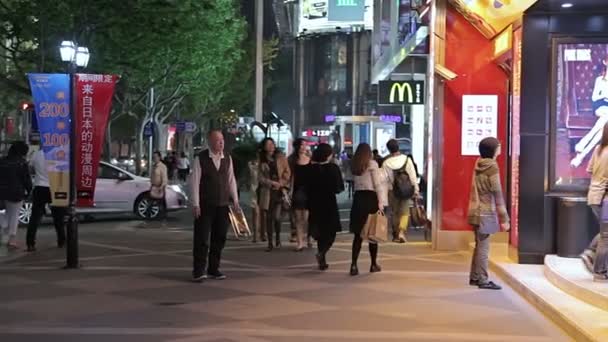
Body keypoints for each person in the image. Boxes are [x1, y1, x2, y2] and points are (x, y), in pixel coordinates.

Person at [190, 130, 239, 282]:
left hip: (223, 204)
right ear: (210, 141)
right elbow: (194, 182)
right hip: (205, 205)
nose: (221, 143)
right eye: (218, 140)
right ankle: (198, 271)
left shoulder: (227, 159)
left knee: (220, 237)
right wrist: (195, 203)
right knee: (202, 239)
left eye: (222, 140)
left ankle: (213, 268)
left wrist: (235, 200)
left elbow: (231, 180)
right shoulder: (201, 158)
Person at [467, 137, 509, 290]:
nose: (500, 149)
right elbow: (497, 193)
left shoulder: (479, 164)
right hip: (486, 212)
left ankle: (475, 277)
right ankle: (483, 279)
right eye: (498, 147)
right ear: (493, 150)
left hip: (475, 210)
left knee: (479, 245)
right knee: (484, 247)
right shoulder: (492, 167)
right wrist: (504, 217)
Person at [308, 143, 344, 270]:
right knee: (331, 232)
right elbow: (339, 187)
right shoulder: (333, 168)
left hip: (314, 203)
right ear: (329, 154)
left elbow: (305, 186)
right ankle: (322, 253)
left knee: (320, 232)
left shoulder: (311, 168)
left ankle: (322, 258)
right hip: (329, 202)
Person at [349, 143, 384, 276]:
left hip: (358, 198)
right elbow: (378, 184)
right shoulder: (372, 164)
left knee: (358, 235)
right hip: (370, 198)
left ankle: (353, 265)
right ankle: (373, 264)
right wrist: (381, 202)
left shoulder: (355, 164)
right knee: (372, 234)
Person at [25, 144, 67, 252]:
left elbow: (30, 167)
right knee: (58, 217)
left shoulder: (37, 154)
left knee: (35, 217)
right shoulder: (59, 154)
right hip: (56, 187)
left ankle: (30, 243)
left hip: (40, 187)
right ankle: (61, 241)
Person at [580, 123, 608, 282]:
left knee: (605, 233)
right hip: (603, 198)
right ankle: (599, 270)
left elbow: (589, 170)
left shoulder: (599, 149)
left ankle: (591, 254)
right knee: (606, 236)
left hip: (593, 195)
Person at [572, 56, 608, 167]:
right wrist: (605, 96)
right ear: (605, 62)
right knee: (606, 117)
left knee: (604, 125)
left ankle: (580, 155)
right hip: (600, 106)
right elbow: (594, 98)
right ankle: (582, 148)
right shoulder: (599, 80)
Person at [381, 139, 419, 243]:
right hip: (406, 190)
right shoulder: (407, 160)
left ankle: (396, 234)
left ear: (389, 150)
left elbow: (383, 179)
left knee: (395, 212)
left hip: (393, 191)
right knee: (405, 212)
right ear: (398, 147)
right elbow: (412, 176)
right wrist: (416, 190)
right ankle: (402, 232)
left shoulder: (386, 163)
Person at [258, 137, 291, 252]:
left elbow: (287, 172)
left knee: (276, 217)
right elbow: (260, 177)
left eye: (272, 143)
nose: (270, 146)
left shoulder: (281, 157)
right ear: (264, 147)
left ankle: (277, 237)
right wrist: (270, 182)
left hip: (279, 191)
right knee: (268, 218)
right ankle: (270, 243)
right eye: (268, 144)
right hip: (267, 191)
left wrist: (281, 183)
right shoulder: (261, 159)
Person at [0, 141, 32, 249]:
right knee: (14, 215)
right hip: (16, 192)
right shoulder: (22, 163)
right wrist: (29, 190)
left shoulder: (2, 161)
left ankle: (4, 230)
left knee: (7, 213)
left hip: (2, 191)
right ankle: (12, 239)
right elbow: (26, 179)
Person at [289, 138, 312, 251]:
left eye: (305, 145)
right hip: (297, 192)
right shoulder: (292, 160)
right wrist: (289, 191)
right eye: (302, 145)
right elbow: (290, 177)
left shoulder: (310, 160)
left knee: (307, 218)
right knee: (298, 218)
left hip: (308, 192)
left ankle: (308, 238)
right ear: (297, 146)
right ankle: (300, 242)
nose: (304, 147)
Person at [149, 151, 168, 218]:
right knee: (152, 203)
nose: (154, 158)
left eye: (156, 157)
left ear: (159, 157)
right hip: (153, 187)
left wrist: (161, 187)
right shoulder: (153, 166)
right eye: (153, 157)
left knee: (160, 204)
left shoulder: (162, 166)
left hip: (160, 188)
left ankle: (161, 217)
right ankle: (153, 216)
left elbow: (164, 178)